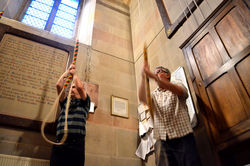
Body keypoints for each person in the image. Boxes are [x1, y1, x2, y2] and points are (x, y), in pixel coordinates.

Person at [139, 62, 202, 166]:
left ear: (167, 75)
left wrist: (151, 75)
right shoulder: (154, 94)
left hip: (182, 135)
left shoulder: (177, 85)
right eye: (155, 73)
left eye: (159, 72)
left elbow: (178, 90)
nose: (156, 75)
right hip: (161, 139)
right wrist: (142, 77)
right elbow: (142, 98)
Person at [50, 64, 90, 166]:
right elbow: (58, 85)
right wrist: (68, 72)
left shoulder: (85, 103)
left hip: (75, 145)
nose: (72, 89)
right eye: (71, 87)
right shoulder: (64, 103)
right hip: (60, 144)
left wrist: (75, 74)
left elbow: (80, 87)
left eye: (74, 87)